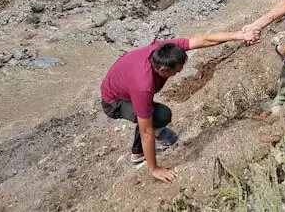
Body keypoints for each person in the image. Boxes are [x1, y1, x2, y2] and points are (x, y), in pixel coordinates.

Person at [100, 29, 259, 183]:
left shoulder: (164, 49)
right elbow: (146, 131)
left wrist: (239, 35)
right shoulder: (143, 86)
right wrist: (154, 169)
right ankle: (138, 154)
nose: (177, 74)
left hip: (125, 83)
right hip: (114, 101)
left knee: (152, 116)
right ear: (163, 69)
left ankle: (141, 149)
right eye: (175, 72)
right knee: (159, 116)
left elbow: (204, 40)